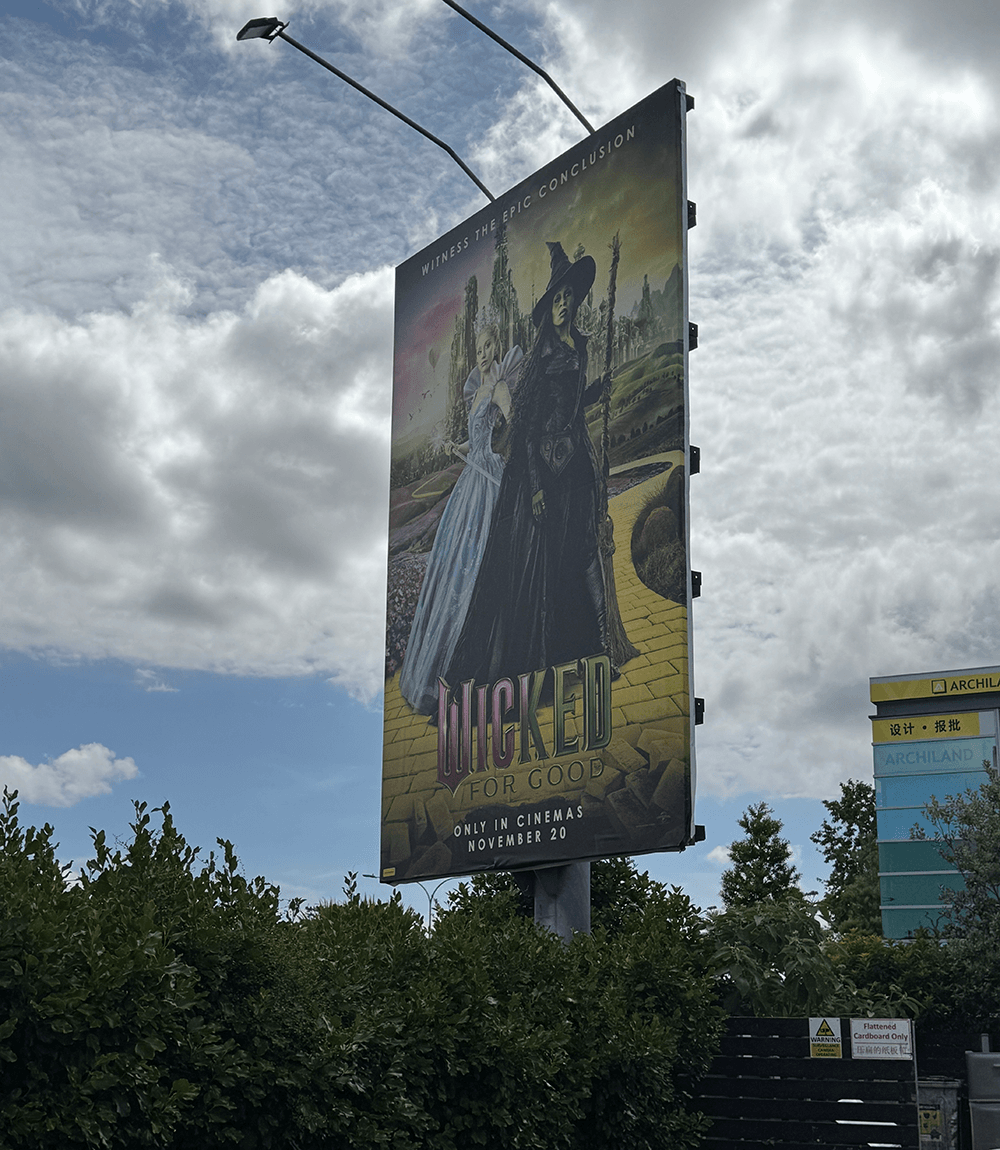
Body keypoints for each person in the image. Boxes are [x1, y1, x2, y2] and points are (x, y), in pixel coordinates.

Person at [445, 241, 611, 691]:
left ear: (575, 300)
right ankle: (542, 668)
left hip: (576, 470)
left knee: (582, 554)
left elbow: (568, 409)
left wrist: (595, 392)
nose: (563, 304)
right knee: (545, 567)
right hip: (545, 475)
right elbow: (528, 428)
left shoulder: (580, 347)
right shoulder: (541, 358)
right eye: (556, 298)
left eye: (568, 296)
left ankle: (596, 652)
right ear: (549, 306)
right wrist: (536, 486)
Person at [399, 321, 523, 714]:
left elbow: (512, 424)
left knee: (484, 558)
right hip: (471, 481)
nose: (482, 354)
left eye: (488, 346)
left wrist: (503, 450)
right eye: (478, 348)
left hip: (490, 479)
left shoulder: (499, 387)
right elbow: (477, 437)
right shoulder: (477, 393)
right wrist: (461, 445)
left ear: (497, 346)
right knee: (456, 560)